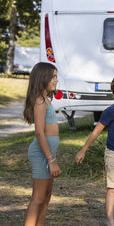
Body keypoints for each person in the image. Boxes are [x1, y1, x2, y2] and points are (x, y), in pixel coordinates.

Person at [75, 76, 114, 226]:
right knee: (113, 188)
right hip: (113, 154)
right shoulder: (110, 111)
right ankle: (110, 223)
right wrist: (83, 150)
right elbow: (96, 132)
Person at [23, 62, 61, 226]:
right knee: (38, 198)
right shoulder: (39, 101)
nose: (56, 80)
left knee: (46, 195)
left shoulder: (46, 99)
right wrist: (51, 160)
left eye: (56, 76)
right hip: (42, 155)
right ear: (42, 78)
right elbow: (39, 132)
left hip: (47, 153)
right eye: (52, 76)